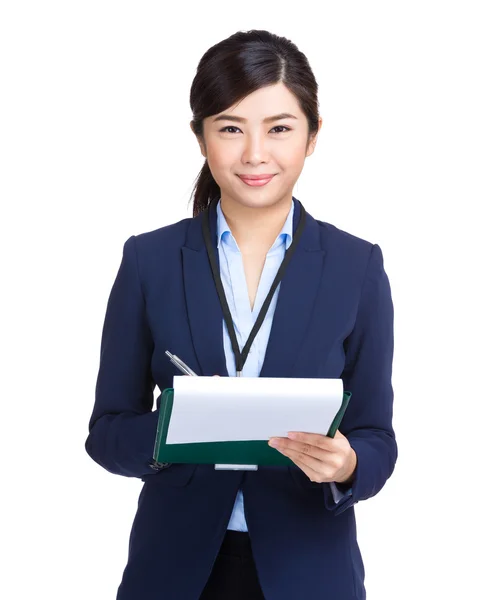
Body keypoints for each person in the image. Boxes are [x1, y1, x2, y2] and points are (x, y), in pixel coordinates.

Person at [85, 29, 397, 600]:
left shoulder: (357, 266)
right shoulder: (149, 260)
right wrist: (178, 433)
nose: (255, 154)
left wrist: (348, 463)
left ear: (312, 135)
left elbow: (378, 437)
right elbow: (106, 433)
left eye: (279, 128)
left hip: (309, 571)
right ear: (201, 137)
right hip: (174, 571)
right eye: (230, 128)